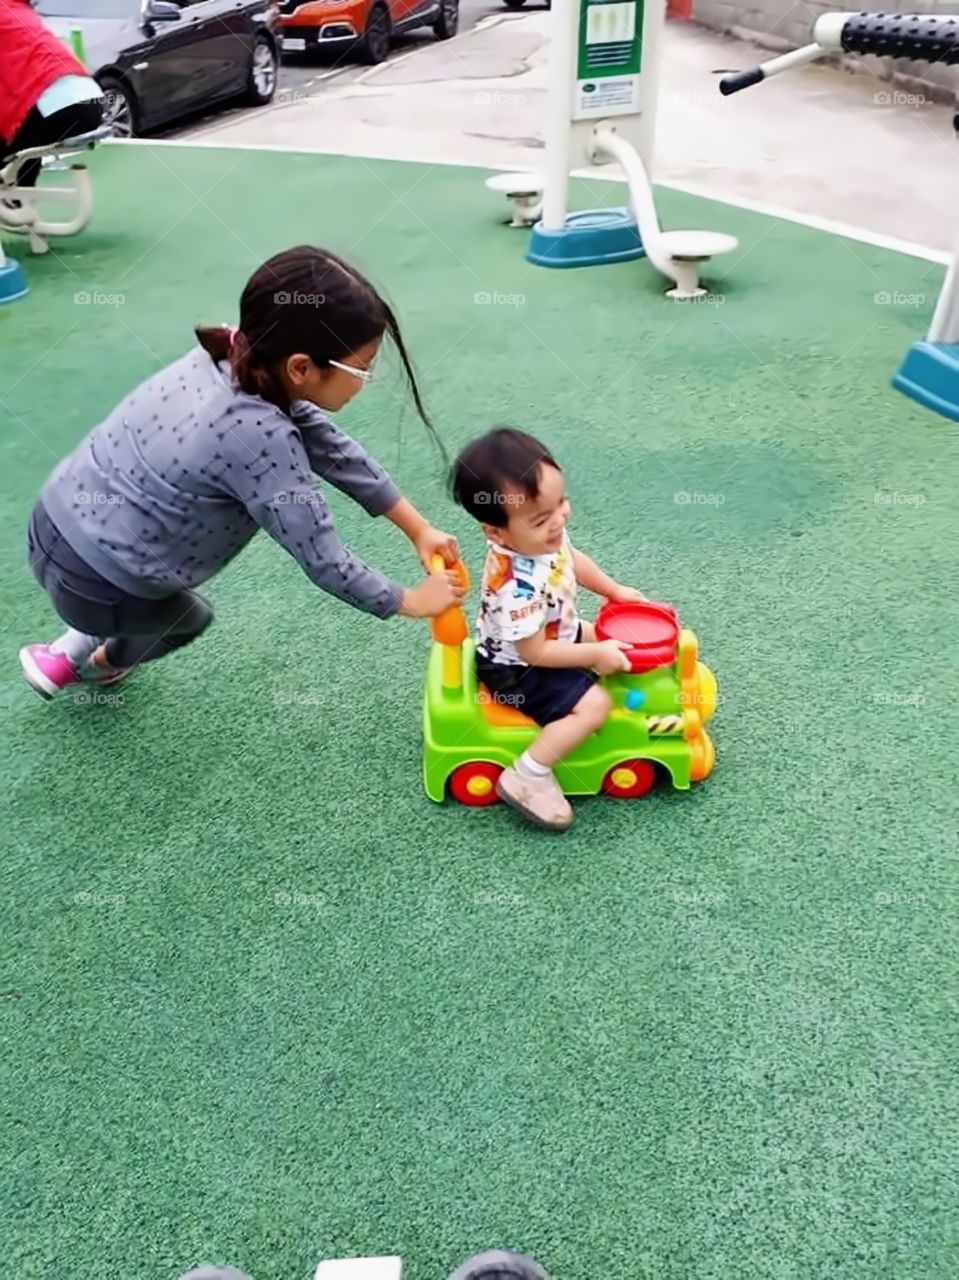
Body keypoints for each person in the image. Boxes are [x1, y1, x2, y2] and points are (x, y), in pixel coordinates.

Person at [20, 245, 464, 699]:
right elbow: (322, 556)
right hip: (99, 580)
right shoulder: (259, 437)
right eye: (362, 369)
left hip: (50, 522)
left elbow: (329, 446)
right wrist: (410, 601)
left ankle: (70, 644)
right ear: (301, 367)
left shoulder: (228, 355)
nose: (363, 382)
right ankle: (96, 664)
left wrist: (417, 528)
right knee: (185, 619)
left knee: (120, 578)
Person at [451, 428, 646, 832]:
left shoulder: (540, 537)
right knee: (595, 706)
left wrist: (613, 590)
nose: (559, 520)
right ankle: (529, 773)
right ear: (495, 532)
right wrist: (594, 654)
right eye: (542, 519)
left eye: (562, 503)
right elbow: (535, 653)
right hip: (515, 670)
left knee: (613, 638)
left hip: (554, 636)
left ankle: (600, 658)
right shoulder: (515, 589)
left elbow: (571, 558)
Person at [0, 0, 105, 207]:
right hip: (90, 99)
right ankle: (21, 199)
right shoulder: (16, 9)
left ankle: (19, 200)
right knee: (27, 138)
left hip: (54, 106)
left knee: (22, 132)